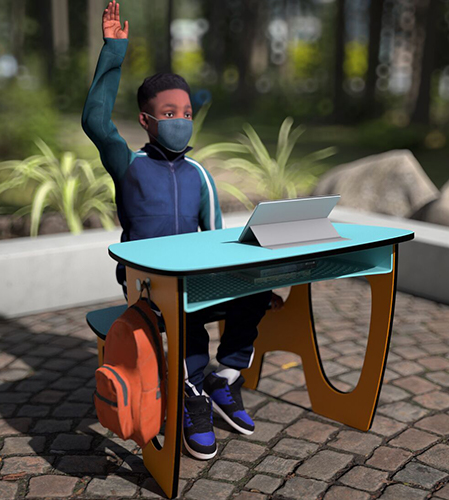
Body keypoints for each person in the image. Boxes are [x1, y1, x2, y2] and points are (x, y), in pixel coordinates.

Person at [81, 1, 284, 461]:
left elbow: (216, 237)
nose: (181, 119)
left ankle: (223, 378)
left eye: (187, 111)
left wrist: (247, 281)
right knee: (187, 313)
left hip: (197, 275)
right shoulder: (128, 164)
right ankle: (191, 397)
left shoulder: (199, 173)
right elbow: (95, 121)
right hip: (147, 283)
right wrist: (113, 50)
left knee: (256, 291)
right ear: (147, 121)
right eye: (169, 113)